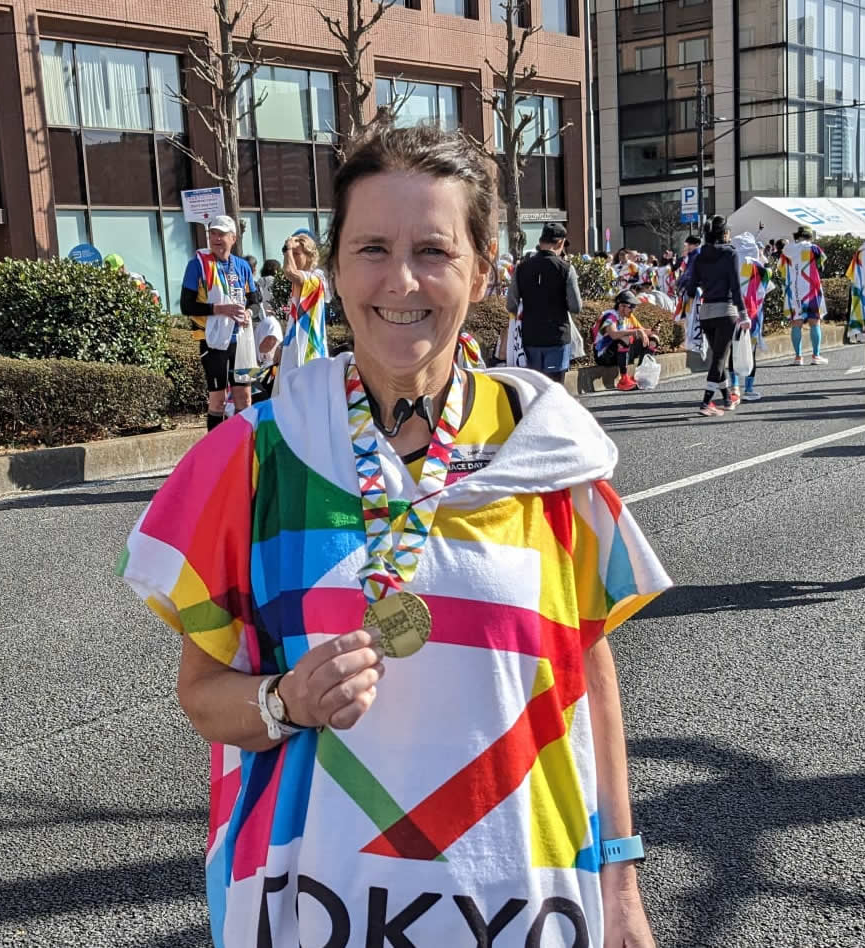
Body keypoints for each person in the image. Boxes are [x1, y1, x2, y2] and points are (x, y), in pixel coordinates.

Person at [121, 123, 668, 948]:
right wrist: (285, 700)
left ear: (484, 268)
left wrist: (621, 885)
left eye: (435, 251)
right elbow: (202, 694)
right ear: (333, 265)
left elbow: (588, 674)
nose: (400, 279)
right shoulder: (258, 457)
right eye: (371, 247)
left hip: (522, 892)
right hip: (322, 896)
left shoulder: (549, 452)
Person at [180, 215, 263, 430]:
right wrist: (218, 309)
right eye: (212, 234)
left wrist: (248, 313)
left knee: (245, 399)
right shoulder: (197, 264)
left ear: (233, 238)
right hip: (212, 340)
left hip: (242, 341)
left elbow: (255, 303)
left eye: (221, 234)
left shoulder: (243, 266)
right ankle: (215, 452)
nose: (216, 239)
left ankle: (243, 448)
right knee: (217, 400)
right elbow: (186, 306)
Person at [679, 215, 747, 416]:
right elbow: (735, 286)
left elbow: (691, 288)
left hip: (706, 312)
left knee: (718, 356)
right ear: (725, 233)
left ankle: (726, 398)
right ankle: (707, 402)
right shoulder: (730, 254)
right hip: (726, 311)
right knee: (719, 357)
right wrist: (744, 314)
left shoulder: (700, 256)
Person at [508, 221, 582, 384]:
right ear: (561, 242)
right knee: (554, 388)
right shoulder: (566, 269)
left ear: (540, 242)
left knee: (534, 386)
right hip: (557, 336)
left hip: (530, 336)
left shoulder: (521, 268)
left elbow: (511, 305)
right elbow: (576, 307)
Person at [277, 231, 329, 376]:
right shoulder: (302, 281)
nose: (291, 257)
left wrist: (287, 248)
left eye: (296, 254)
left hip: (310, 347)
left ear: (309, 256)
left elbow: (289, 271)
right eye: (290, 254)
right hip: (295, 344)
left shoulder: (314, 279)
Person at [779, 226, 828, 365]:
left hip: (793, 290)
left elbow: (781, 269)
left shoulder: (786, 250)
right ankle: (816, 356)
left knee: (796, 322)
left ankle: (798, 357)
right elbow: (822, 265)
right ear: (809, 236)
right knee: (815, 321)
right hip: (811, 289)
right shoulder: (814, 249)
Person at [730, 232, 771, 401]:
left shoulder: (729, 263)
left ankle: (734, 389)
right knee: (750, 351)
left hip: (732, 312)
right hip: (753, 314)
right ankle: (748, 388)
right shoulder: (759, 268)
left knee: (733, 350)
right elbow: (767, 286)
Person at [592, 289, 657, 391]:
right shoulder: (610, 316)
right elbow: (613, 334)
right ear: (621, 306)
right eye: (632, 306)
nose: (633, 309)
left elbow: (641, 331)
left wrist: (652, 331)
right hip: (603, 355)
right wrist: (635, 332)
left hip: (617, 352)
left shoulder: (626, 317)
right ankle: (623, 379)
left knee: (653, 340)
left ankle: (639, 376)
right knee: (625, 338)